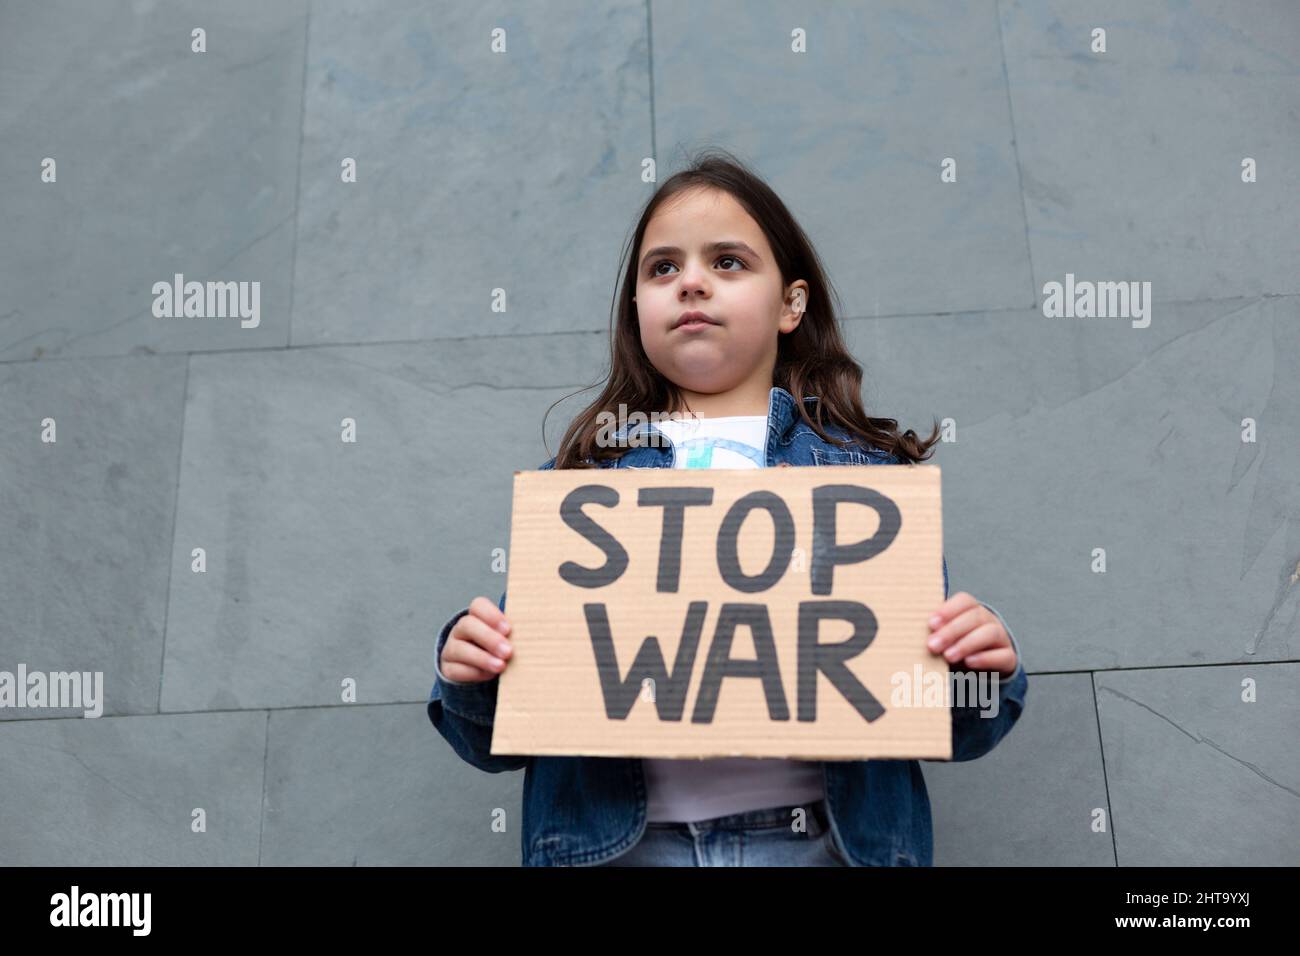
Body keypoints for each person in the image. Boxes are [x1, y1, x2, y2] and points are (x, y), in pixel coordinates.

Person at [428, 148, 1027, 866]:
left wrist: (983, 668)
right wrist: (471, 670)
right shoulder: (581, 486)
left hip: (828, 846)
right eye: (662, 269)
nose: (691, 284)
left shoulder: (866, 478)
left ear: (791, 304)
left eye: (728, 263)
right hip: (620, 850)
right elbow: (494, 740)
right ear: (637, 310)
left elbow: (952, 726)